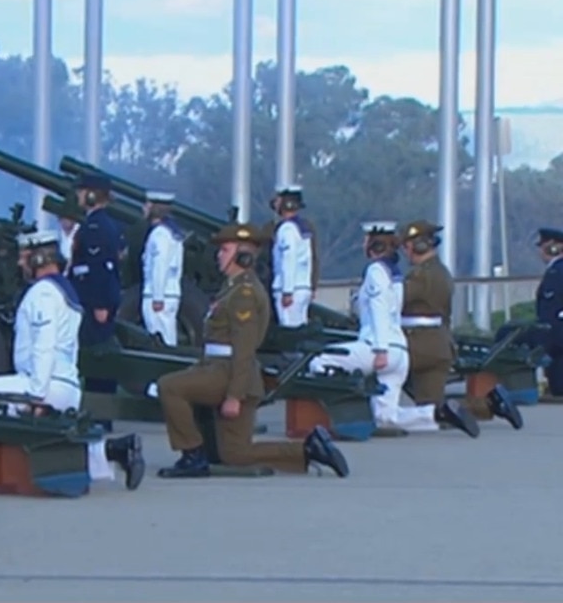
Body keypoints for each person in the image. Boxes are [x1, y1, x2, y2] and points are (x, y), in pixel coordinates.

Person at [0, 231, 143, 492]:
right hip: (64, 385)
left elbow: (45, 344)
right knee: (26, 421)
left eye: (24, 258)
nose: (20, 264)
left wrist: (36, 395)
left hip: (45, 385)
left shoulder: (42, 293)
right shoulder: (63, 290)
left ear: (39, 258)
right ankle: (115, 450)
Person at [155, 223, 349, 479]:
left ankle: (192, 454)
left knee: (169, 386)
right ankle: (309, 449)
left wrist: (235, 395)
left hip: (230, 374)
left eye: (225, 250)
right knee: (236, 454)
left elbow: (243, 348)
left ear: (243, 256)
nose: (219, 255)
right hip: (223, 371)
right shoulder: (232, 288)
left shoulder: (243, 293)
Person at [307, 222, 478, 437]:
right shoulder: (397, 276)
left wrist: (380, 349)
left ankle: (340, 414)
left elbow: (379, 308)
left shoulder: (377, 271)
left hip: (380, 346)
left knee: (318, 362)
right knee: (385, 417)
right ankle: (436, 413)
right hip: (401, 350)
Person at [400, 221, 522, 428]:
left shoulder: (421, 276)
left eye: (407, 246)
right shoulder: (440, 272)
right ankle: (489, 404)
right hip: (439, 344)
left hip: (417, 345)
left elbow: (396, 302)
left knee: (379, 373)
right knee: (434, 407)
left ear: (415, 247)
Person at [68, 174, 125, 350]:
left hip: (93, 302)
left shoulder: (96, 227)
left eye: (82, 192)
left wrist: (101, 304)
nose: (78, 196)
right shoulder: (98, 224)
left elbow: (100, 267)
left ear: (92, 195)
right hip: (89, 299)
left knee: (96, 352)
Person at [140, 191, 184, 346]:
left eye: (147, 205)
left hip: (158, 294)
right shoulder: (171, 232)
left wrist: (157, 297)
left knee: (160, 338)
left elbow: (160, 265)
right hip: (168, 292)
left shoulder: (160, 234)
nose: (143, 208)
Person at [269, 185, 316, 328]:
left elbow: (288, 259)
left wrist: (287, 291)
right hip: (302, 285)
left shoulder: (287, 229)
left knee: (290, 329)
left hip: (291, 289)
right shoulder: (302, 227)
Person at [528, 227, 563, 398]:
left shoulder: (558, 272)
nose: (540, 252)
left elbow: (552, 310)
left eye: (544, 247)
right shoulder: (554, 271)